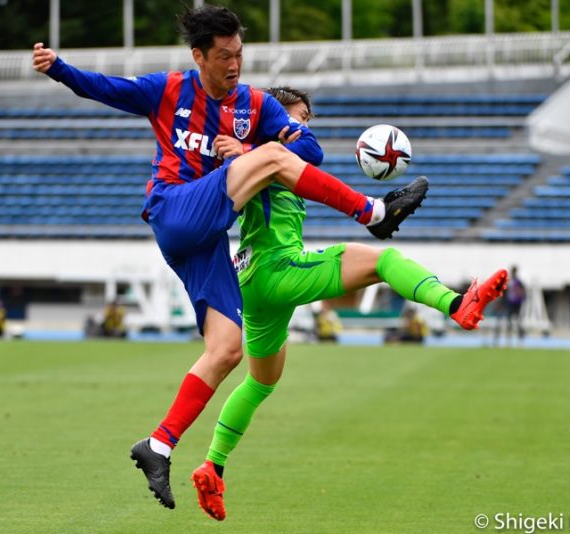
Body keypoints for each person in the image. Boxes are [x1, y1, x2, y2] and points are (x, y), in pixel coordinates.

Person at [32, 5, 428, 510]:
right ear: (199, 56)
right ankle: (373, 213)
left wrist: (248, 146)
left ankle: (158, 444)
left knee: (227, 350)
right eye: (224, 56)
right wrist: (58, 67)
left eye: (239, 53)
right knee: (267, 158)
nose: (234, 64)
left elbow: (309, 150)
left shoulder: (255, 105)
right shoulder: (168, 89)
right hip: (175, 208)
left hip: (207, 240)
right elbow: (104, 88)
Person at [189, 86, 509, 521]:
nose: (302, 126)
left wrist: (240, 148)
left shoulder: (255, 156)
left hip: (249, 278)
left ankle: (213, 465)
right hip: (277, 268)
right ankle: (457, 304)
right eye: (297, 116)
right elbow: (289, 154)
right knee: (385, 260)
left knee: (262, 380)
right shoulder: (265, 152)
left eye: (306, 119)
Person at [499, 265, 526, 344]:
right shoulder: (510, 281)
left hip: (516, 303)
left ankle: (519, 336)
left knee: (517, 320)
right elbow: (504, 292)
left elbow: (522, 292)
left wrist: (522, 299)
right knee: (510, 321)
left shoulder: (518, 282)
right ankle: (509, 337)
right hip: (510, 303)